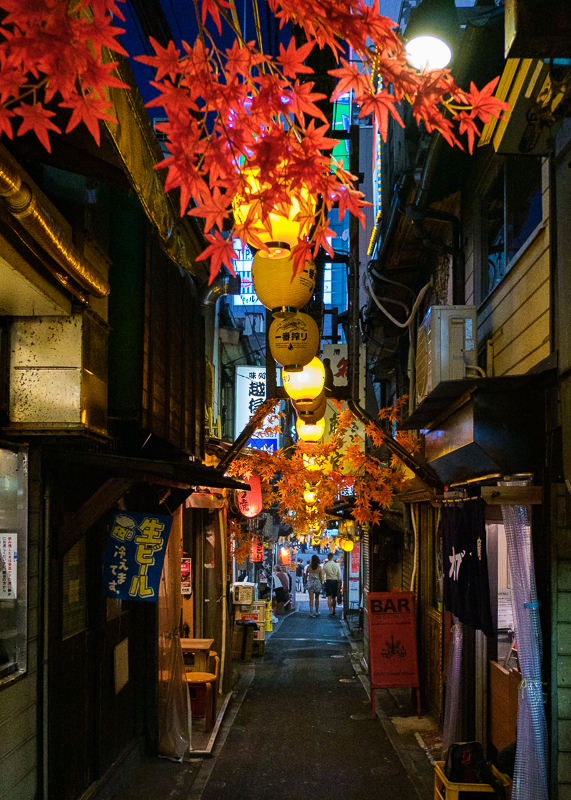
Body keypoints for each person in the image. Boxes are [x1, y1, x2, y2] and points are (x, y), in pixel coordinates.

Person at [322, 552, 342, 616]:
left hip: (328, 581)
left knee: (329, 597)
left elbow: (322, 574)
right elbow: (339, 574)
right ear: (332, 557)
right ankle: (334, 610)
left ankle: (330, 611)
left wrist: (322, 580)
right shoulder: (336, 565)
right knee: (334, 597)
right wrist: (339, 581)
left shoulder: (326, 565)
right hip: (335, 581)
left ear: (328, 558)